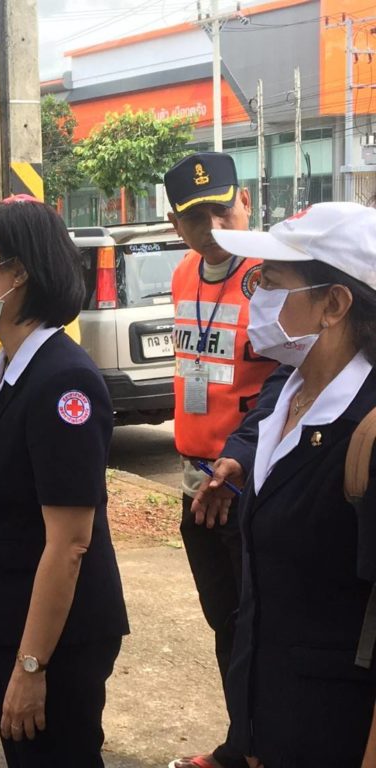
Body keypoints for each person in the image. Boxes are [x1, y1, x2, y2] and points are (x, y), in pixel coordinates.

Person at [201, 202, 376, 765]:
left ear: (334, 305)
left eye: (272, 282)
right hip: (274, 725)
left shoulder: (367, 427)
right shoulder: (289, 394)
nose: (256, 297)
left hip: (338, 735)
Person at [0, 200, 128, 766]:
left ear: (16, 273)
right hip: (18, 618)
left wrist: (32, 665)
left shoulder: (63, 381)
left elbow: (69, 542)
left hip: (60, 640)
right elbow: (8, 520)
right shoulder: (8, 371)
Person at [163, 152, 277, 768]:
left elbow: (291, 383)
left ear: (246, 202)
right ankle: (242, 742)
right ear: (175, 225)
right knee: (225, 621)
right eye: (194, 217)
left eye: (221, 209)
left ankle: (260, 747)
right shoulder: (184, 273)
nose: (212, 226)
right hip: (194, 479)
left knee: (259, 625)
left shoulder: (273, 276)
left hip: (248, 479)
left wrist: (243, 459)